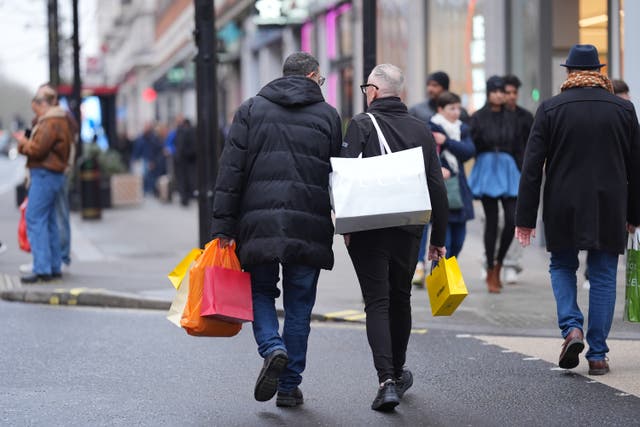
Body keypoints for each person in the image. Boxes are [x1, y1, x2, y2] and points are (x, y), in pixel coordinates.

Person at [210, 52, 342, 407]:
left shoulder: (251, 109)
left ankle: (272, 347)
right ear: (313, 76)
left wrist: (223, 226)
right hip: (308, 223)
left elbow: (230, 171)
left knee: (261, 292)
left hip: (258, 222)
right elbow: (339, 176)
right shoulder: (329, 116)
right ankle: (288, 386)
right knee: (299, 306)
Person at [515, 44, 640, 375]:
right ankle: (597, 354)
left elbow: (531, 167)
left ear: (569, 72)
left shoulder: (551, 108)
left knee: (562, 266)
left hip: (562, 202)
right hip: (609, 203)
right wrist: (634, 214)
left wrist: (524, 218)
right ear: (599, 72)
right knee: (602, 274)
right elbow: (636, 167)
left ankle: (572, 329)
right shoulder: (623, 109)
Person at [341, 64, 448, 411]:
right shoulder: (421, 130)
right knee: (401, 298)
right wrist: (438, 238)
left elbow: (344, 175)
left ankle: (385, 380)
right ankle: (399, 372)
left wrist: (346, 226)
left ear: (372, 90)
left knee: (377, 302)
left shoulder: (361, 124)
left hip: (368, 229)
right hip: (409, 227)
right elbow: (437, 187)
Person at [468, 76, 523, 293]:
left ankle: (499, 263)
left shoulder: (514, 117)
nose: (500, 95)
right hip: (487, 167)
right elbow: (472, 143)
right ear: (489, 92)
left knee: (512, 219)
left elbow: (520, 145)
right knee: (491, 221)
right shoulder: (478, 117)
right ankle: (490, 268)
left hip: (509, 168)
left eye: (503, 91)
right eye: (496, 91)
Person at [16, 85, 72, 283]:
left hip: (44, 174)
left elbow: (38, 149)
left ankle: (42, 268)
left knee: (35, 218)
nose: (35, 106)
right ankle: (53, 265)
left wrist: (23, 142)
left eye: (38, 102)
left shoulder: (51, 122)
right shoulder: (60, 119)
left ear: (47, 103)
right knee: (49, 221)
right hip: (53, 174)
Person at [429, 92, 475, 258]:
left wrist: (447, 142)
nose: (456, 112)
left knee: (458, 242)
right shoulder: (431, 127)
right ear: (440, 109)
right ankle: (441, 281)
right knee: (443, 245)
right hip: (440, 190)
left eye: (458, 108)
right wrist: (438, 169)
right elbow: (426, 155)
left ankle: (446, 278)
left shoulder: (462, 128)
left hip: (459, 189)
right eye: (451, 108)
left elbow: (469, 151)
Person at [499, 74, 535, 284]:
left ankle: (511, 263)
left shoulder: (525, 117)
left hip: (521, 173)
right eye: (507, 92)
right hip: (499, 175)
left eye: (514, 93)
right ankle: (493, 261)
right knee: (496, 222)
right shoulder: (495, 116)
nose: (511, 97)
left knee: (515, 218)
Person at [174, 118, 197, 206]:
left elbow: (178, 146)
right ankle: (187, 197)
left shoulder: (181, 132)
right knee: (187, 179)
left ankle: (185, 198)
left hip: (183, 160)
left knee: (183, 179)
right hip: (188, 160)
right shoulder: (190, 131)